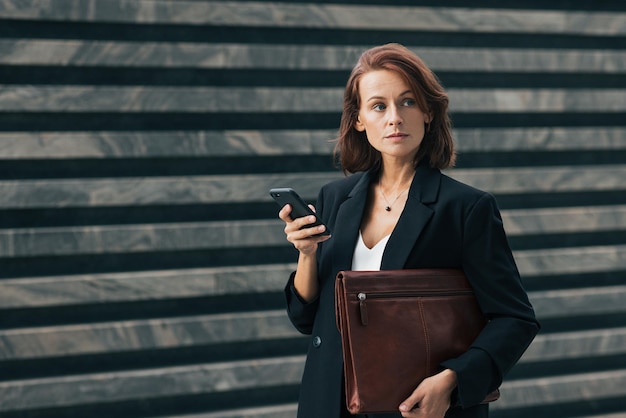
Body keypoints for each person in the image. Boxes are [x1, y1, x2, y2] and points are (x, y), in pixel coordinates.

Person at [278, 43, 539, 418]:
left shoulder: (465, 208)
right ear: (359, 119)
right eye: (379, 105)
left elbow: (515, 319)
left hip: (416, 407)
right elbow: (306, 320)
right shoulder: (335, 198)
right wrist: (307, 255)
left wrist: (451, 381)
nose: (394, 118)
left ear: (429, 112)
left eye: (408, 102)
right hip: (328, 403)